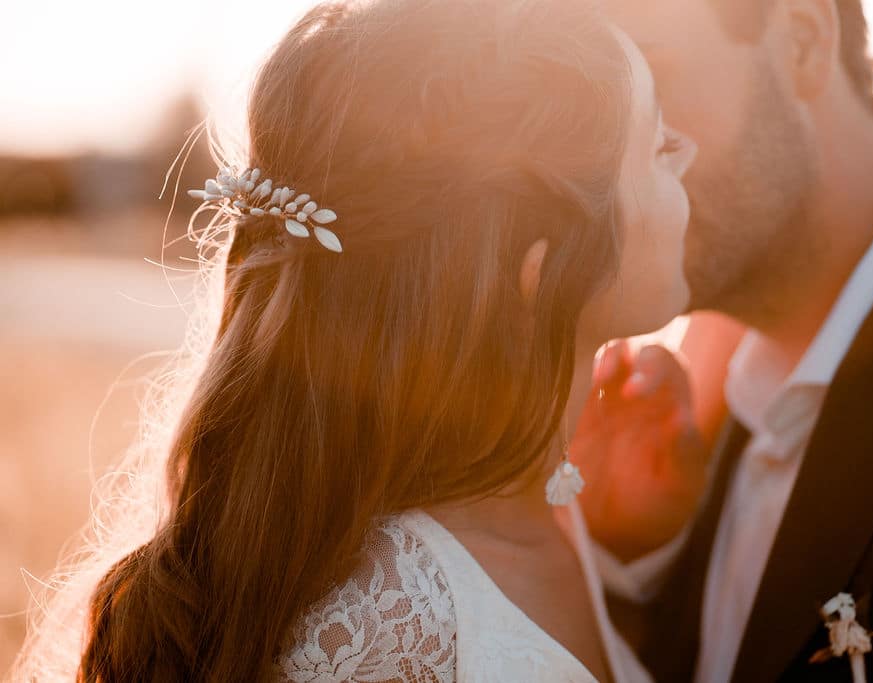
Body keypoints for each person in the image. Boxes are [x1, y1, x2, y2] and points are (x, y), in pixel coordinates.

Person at [11, 0, 699, 680]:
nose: (687, 162)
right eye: (658, 149)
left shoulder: (541, 511)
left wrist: (630, 543)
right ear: (542, 275)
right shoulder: (384, 639)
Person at [578, 0, 873, 681]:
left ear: (804, 41)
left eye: (648, 81)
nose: (611, 168)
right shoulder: (705, 412)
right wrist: (642, 555)